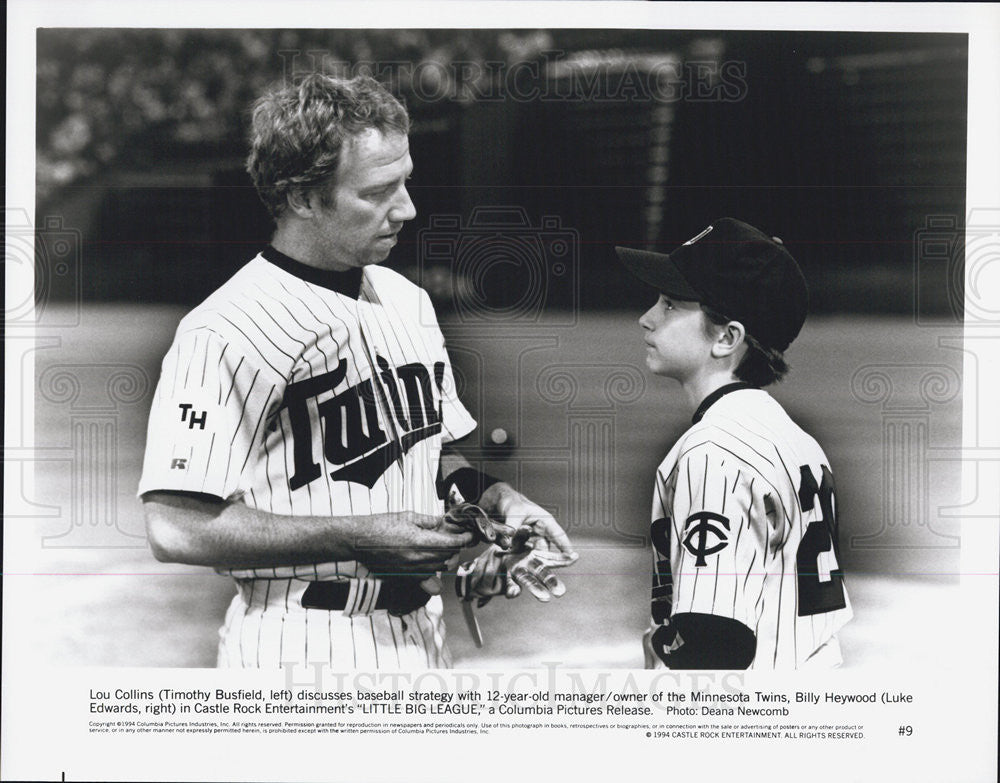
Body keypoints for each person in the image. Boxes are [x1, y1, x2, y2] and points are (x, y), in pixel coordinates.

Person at [139, 73, 577, 669]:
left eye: (406, 181)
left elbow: (430, 454)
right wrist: (358, 535)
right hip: (299, 644)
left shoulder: (406, 300)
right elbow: (176, 527)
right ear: (302, 197)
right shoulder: (227, 328)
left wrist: (495, 499)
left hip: (423, 638)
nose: (408, 208)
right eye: (377, 191)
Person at [616, 218, 852, 670]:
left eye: (669, 305)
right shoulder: (796, 440)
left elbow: (715, 642)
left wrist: (660, 647)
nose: (646, 318)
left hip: (749, 718)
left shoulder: (713, 452)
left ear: (727, 338)